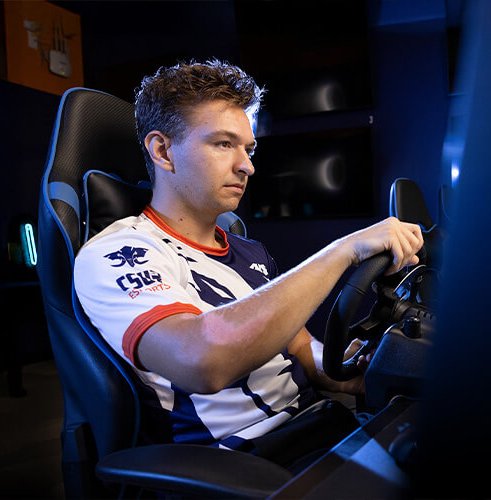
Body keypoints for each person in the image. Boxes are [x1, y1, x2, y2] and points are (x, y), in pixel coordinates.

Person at [73, 59, 423, 471]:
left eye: (248, 148)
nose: (247, 165)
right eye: (223, 144)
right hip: (242, 464)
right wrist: (343, 250)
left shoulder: (249, 251)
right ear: (163, 151)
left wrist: (352, 364)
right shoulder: (119, 251)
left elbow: (300, 350)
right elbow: (201, 361)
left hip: (322, 429)